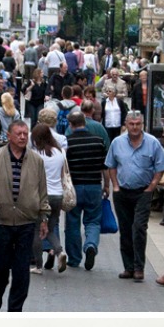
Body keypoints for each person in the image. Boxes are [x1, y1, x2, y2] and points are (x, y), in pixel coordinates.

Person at [0, 118, 51, 312]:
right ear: (9, 136)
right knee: (0, 267)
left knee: (21, 271)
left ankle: (14, 311)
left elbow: (43, 191)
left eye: (25, 134)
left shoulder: (36, 160)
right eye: (18, 134)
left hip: (26, 222)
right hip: (1, 221)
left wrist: (44, 217)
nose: (22, 137)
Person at [105, 111, 164, 283]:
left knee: (139, 228)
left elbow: (160, 167)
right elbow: (111, 165)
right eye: (131, 124)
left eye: (138, 124)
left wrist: (152, 187)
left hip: (143, 192)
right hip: (123, 192)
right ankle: (129, 267)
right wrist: (115, 186)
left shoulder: (152, 143)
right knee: (125, 229)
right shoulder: (117, 143)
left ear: (142, 125)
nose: (134, 127)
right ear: (126, 124)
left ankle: (139, 267)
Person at [63, 110, 108, 272]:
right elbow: (105, 167)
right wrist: (107, 186)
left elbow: (65, 169)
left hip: (74, 187)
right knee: (93, 220)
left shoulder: (68, 143)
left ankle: (74, 258)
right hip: (94, 186)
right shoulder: (98, 142)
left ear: (71, 125)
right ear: (85, 122)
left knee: (72, 222)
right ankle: (90, 244)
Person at [30, 122, 69, 274]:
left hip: (42, 196)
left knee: (37, 231)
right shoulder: (59, 152)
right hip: (57, 194)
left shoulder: (36, 155)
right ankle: (59, 251)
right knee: (50, 229)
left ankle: (38, 265)